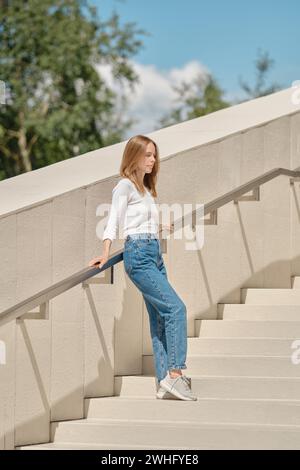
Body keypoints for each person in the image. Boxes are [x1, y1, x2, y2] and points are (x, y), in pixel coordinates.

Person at [88, 135, 197, 401]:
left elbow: (139, 222)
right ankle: (175, 374)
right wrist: (105, 251)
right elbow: (114, 219)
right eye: (148, 155)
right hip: (138, 255)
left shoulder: (145, 190)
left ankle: (164, 383)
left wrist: (160, 227)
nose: (153, 160)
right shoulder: (124, 186)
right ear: (134, 156)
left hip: (153, 252)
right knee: (176, 308)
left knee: (160, 317)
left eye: (154, 155)